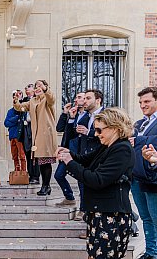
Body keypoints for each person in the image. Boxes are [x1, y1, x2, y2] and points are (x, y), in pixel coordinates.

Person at [56, 107, 135, 259]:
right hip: (100, 213)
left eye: (99, 130)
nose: (96, 134)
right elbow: (85, 161)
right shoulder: (107, 146)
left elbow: (98, 180)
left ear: (115, 128)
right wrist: (67, 153)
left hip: (111, 216)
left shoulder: (122, 149)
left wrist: (70, 162)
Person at [14, 80, 58, 196]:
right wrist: (16, 99)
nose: (37, 87)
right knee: (41, 162)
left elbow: (52, 99)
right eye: (36, 86)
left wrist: (45, 89)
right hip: (37, 136)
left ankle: (46, 186)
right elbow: (20, 108)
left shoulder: (47, 99)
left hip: (47, 135)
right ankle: (45, 186)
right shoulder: (32, 101)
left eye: (40, 85)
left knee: (45, 162)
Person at [66, 89, 103, 222]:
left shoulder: (106, 115)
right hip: (84, 157)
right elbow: (71, 136)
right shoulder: (85, 116)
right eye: (85, 98)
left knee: (98, 193)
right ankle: (86, 214)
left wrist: (90, 132)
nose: (84, 101)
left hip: (99, 158)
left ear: (98, 100)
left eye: (88, 98)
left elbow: (109, 136)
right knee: (84, 188)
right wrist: (70, 118)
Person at [130, 87, 157, 259]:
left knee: (155, 218)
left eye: (147, 101)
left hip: (153, 178)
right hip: (136, 178)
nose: (142, 105)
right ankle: (151, 252)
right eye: (140, 102)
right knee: (146, 219)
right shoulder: (140, 124)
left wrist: (140, 140)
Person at [54, 92, 86, 207]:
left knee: (81, 180)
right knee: (58, 175)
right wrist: (66, 113)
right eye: (76, 97)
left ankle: (83, 208)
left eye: (80, 97)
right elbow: (59, 128)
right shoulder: (73, 113)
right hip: (67, 151)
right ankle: (69, 198)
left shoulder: (88, 116)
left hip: (79, 153)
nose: (76, 100)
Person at [20, 83, 40, 184]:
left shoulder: (38, 100)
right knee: (28, 153)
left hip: (35, 129)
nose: (26, 91)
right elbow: (18, 109)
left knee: (35, 155)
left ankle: (36, 176)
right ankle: (30, 175)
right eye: (25, 89)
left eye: (28, 89)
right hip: (26, 130)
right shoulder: (24, 101)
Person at [4, 90, 26, 172]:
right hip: (12, 136)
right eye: (14, 96)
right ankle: (17, 172)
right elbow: (6, 123)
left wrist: (12, 120)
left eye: (18, 95)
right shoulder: (10, 111)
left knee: (22, 155)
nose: (16, 97)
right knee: (14, 156)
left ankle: (23, 173)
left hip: (20, 136)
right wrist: (17, 118)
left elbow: (22, 121)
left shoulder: (23, 109)